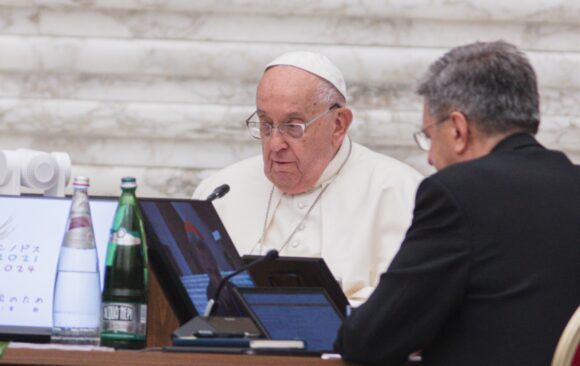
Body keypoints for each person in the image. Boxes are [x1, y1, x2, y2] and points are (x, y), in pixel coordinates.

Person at [335, 40, 580, 365]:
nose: (431, 158)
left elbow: (366, 340)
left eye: (429, 137)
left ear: (458, 130)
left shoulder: (456, 194)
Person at [193, 51, 422, 302]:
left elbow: (407, 304)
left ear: (339, 124)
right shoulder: (222, 190)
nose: (275, 144)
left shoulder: (399, 191)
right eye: (266, 124)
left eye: (293, 126)